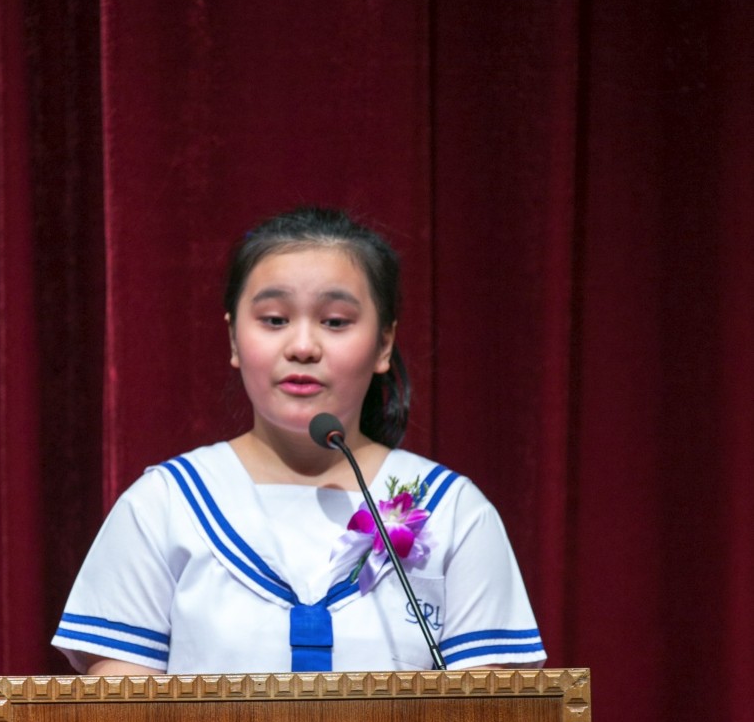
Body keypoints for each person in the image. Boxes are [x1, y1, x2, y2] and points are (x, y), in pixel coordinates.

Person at [52, 207, 546, 676]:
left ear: (384, 344)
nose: (303, 347)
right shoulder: (163, 506)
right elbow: (117, 720)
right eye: (274, 319)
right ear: (233, 338)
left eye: (335, 322)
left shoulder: (451, 511)